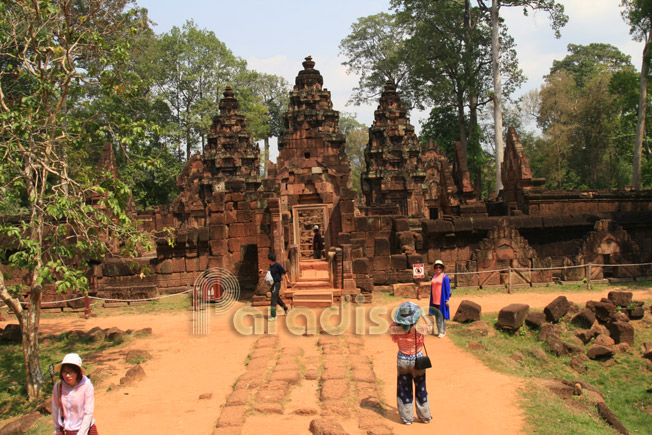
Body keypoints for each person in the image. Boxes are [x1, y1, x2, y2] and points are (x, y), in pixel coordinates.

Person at [390, 301, 432, 425]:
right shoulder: (419, 329)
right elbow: (430, 326)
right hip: (417, 359)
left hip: (403, 359)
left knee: (404, 388)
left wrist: (398, 319)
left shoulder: (396, 329)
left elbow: (393, 325)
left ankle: (407, 417)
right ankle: (424, 416)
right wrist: (423, 315)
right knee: (421, 387)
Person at [52, 353, 98, 435]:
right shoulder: (58, 387)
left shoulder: (87, 386)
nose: (67, 375)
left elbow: (88, 412)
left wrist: (81, 433)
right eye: (65, 372)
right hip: (67, 431)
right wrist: (57, 430)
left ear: (78, 373)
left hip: (85, 430)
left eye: (71, 372)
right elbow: (55, 409)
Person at [429, 259, 451, 337]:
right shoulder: (433, 276)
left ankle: (443, 331)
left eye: (440, 267)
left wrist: (447, 299)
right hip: (435, 299)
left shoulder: (445, 277)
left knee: (443, 315)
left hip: (441, 299)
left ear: (442, 268)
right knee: (437, 315)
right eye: (437, 267)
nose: (438, 269)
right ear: (434, 268)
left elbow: (448, 289)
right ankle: (439, 331)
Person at [264, 253, 290, 320]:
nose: (267, 260)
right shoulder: (270, 266)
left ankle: (273, 316)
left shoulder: (278, 265)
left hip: (277, 283)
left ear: (270, 260)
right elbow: (270, 273)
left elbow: (284, 272)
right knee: (276, 298)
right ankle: (286, 308)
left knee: (273, 299)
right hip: (273, 283)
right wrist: (263, 271)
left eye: (268, 259)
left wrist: (288, 280)